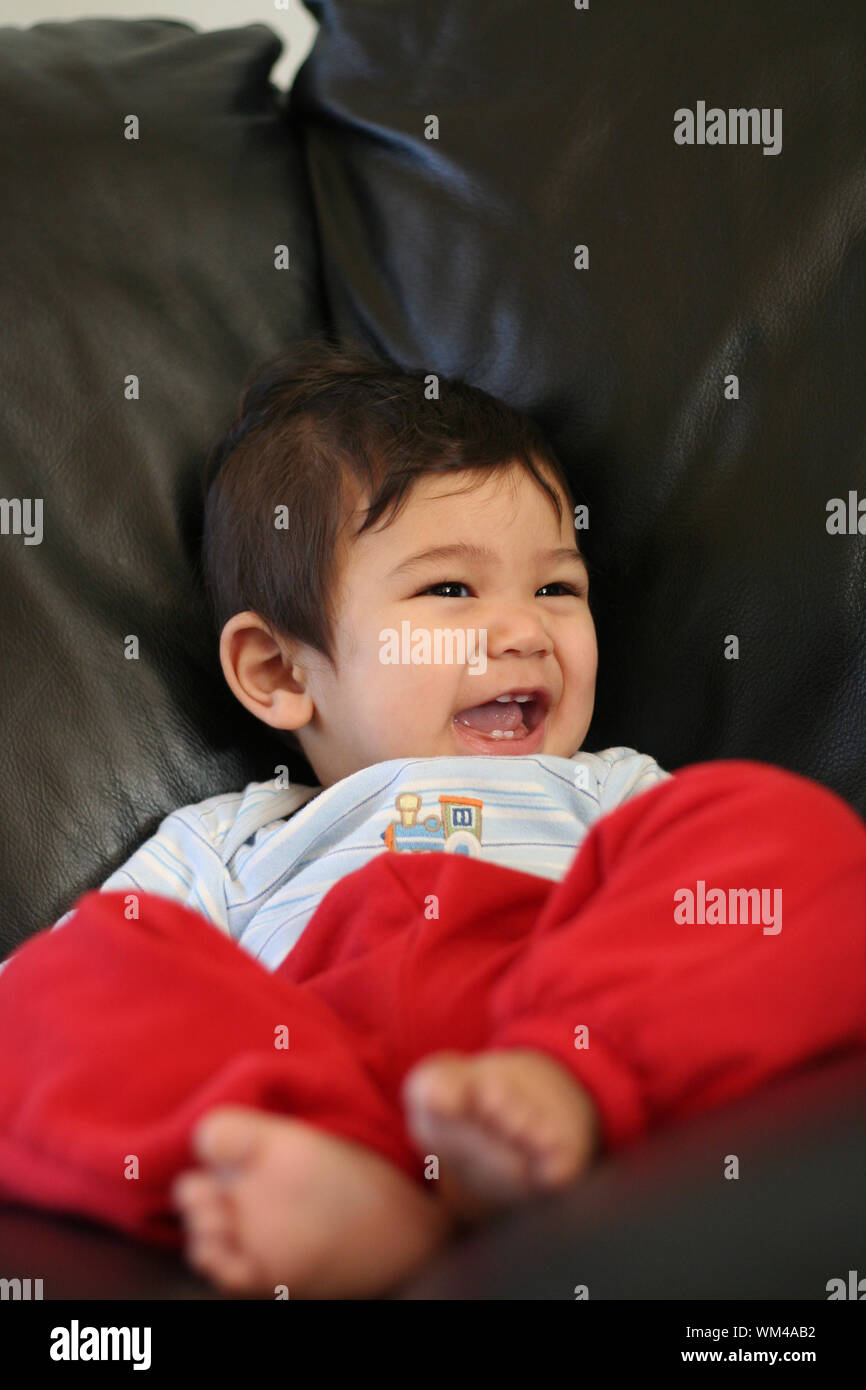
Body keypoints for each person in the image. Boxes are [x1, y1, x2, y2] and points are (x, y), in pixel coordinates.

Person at [1, 340, 864, 1298]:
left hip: (556, 1020)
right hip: (318, 1070)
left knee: (781, 827)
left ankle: (562, 1096)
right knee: (66, 977)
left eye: (557, 588)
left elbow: (741, 913)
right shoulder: (233, 841)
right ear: (282, 672)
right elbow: (72, 994)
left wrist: (575, 1058)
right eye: (450, 590)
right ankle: (344, 1178)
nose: (525, 629)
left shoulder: (606, 786)